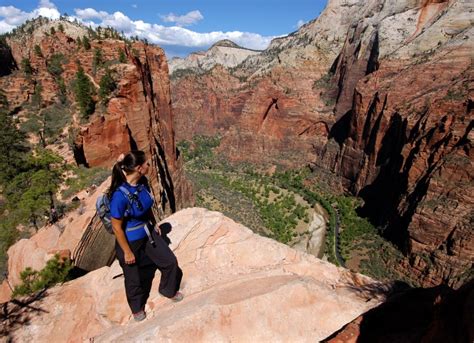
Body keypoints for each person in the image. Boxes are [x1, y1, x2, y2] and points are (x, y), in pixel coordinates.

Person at [108, 150, 183, 322]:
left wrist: (154, 222)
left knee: (170, 262)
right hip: (130, 241)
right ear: (139, 168)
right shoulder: (119, 196)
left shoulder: (142, 183)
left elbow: (146, 205)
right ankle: (137, 308)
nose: (150, 166)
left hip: (147, 233)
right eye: (147, 164)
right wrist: (127, 252)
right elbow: (116, 227)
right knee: (133, 278)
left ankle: (167, 290)